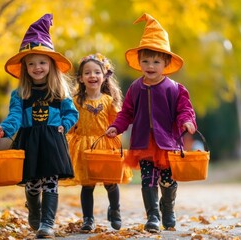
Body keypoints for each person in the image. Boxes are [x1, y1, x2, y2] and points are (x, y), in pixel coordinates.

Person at [105, 13, 197, 233]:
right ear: (139, 62)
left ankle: (168, 209)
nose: (150, 65)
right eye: (145, 60)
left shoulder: (175, 89)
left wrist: (187, 121)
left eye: (156, 61)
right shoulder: (136, 88)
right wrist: (116, 126)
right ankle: (153, 216)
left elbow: (185, 109)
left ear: (165, 63)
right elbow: (126, 113)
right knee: (148, 180)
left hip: (168, 143)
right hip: (144, 144)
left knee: (168, 182)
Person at [0, 14, 78, 239]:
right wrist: (6, 128)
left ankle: (47, 223)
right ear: (25, 68)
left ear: (50, 64)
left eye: (42, 62)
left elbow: (72, 113)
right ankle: (34, 209)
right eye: (31, 64)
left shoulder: (59, 93)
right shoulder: (20, 94)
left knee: (50, 181)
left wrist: (65, 124)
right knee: (32, 183)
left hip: (52, 141)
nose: (37, 67)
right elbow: (15, 116)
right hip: (29, 140)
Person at [65, 53, 132, 232]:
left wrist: (115, 132)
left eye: (96, 72)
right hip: (85, 148)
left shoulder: (109, 100)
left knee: (111, 182)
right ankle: (88, 219)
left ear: (104, 76)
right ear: (80, 78)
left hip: (105, 145)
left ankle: (115, 210)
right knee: (87, 185)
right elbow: (72, 123)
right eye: (87, 73)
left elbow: (118, 122)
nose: (92, 76)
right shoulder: (76, 102)